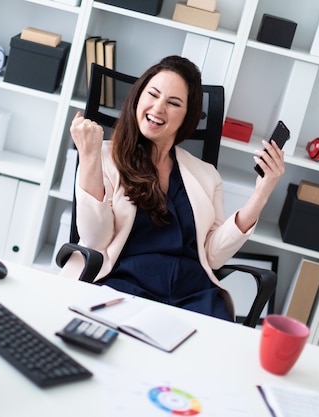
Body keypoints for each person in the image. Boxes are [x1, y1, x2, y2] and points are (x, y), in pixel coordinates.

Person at [61, 55, 284, 322]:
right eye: (152, 94)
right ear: (138, 96)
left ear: (187, 117)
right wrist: (88, 156)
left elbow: (213, 256)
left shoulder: (205, 175)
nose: (158, 108)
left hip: (194, 293)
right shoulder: (103, 157)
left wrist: (262, 193)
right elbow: (96, 240)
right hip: (123, 284)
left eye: (173, 103)